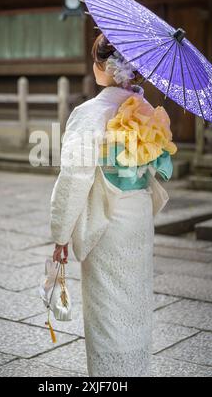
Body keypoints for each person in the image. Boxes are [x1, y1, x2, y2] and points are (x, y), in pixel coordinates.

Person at [51, 33, 177, 377]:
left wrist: (61, 234)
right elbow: (158, 166)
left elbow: (75, 178)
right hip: (136, 214)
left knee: (107, 305)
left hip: (105, 219)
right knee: (133, 299)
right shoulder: (149, 112)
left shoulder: (89, 112)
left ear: (103, 68)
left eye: (95, 60)